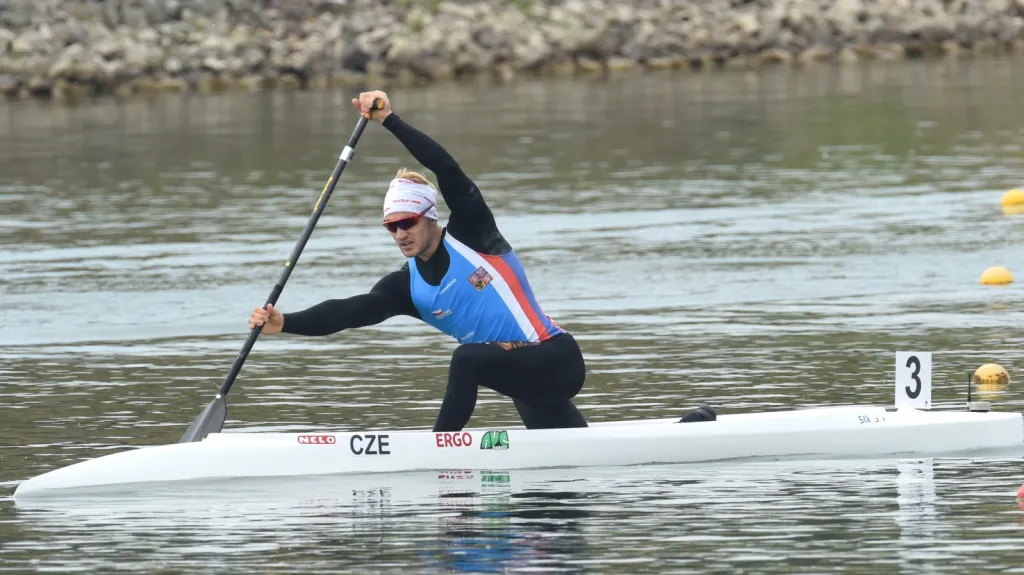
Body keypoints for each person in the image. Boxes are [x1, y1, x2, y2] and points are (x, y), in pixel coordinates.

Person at [248, 90, 589, 433]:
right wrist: (286, 322)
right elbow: (349, 311)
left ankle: (439, 446)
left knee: (466, 358)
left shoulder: (473, 234)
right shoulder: (407, 287)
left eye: (407, 223)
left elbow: (446, 168)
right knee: (562, 473)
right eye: (391, 227)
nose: (399, 235)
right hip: (524, 381)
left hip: (557, 359)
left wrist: (388, 121)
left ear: (429, 217)